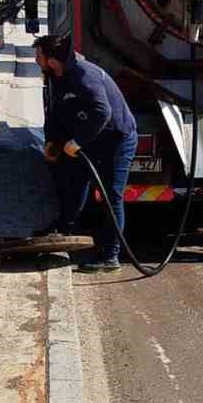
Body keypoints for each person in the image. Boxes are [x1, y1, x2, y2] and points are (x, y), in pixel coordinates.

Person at [34, 34, 138, 274]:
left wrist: (78, 141)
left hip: (116, 139)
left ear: (52, 60)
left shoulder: (84, 75)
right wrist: (53, 141)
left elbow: (103, 112)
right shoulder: (54, 76)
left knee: (111, 196)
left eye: (38, 55)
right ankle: (63, 231)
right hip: (88, 138)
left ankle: (110, 256)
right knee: (74, 183)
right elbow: (55, 111)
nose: (36, 59)